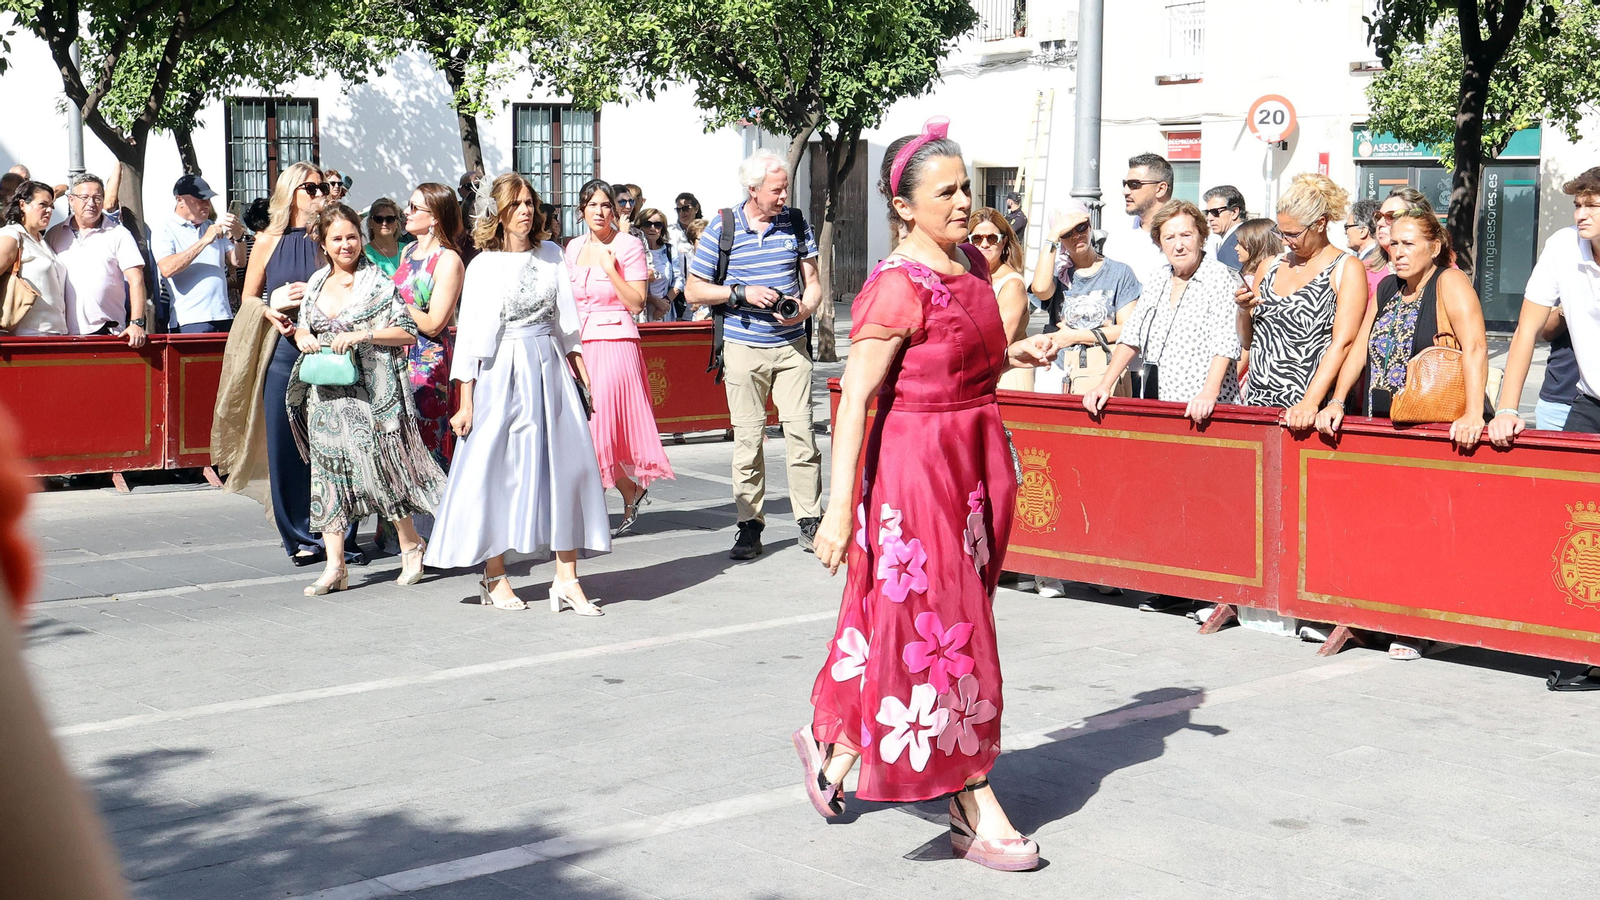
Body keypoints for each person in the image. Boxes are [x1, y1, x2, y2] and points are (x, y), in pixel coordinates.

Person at [797, 118, 1054, 872]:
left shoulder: (972, 263)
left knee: (917, 617)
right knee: (948, 631)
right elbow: (857, 402)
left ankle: (840, 741)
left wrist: (1013, 354)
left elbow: (966, 360)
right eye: (946, 191)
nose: (965, 201)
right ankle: (971, 797)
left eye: (967, 186)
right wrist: (839, 510)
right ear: (905, 206)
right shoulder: (893, 289)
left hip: (976, 463)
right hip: (916, 472)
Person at [424, 173, 611, 613]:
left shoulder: (551, 255)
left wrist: (583, 378)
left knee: (568, 469)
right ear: (499, 213)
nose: (526, 210)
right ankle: (494, 574)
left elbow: (568, 326)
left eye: (530, 202)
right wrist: (466, 401)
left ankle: (567, 578)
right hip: (501, 372)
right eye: (516, 204)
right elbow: (470, 338)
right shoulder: (484, 265)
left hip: (550, 370)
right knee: (494, 471)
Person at [287, 203, 445, 596]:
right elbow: (306, 326)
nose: (346, 245)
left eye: (352, 237)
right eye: (337, 238)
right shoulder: (318, 282)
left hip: (370, 397)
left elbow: (408, 332)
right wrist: (301, 336)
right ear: (323, 243)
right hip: (324, 396)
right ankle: (335, 566)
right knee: (327, 477)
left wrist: (364, 336)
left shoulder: (378, 283)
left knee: (381, 474)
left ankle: (410, 545)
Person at [218, 162, 363, 567]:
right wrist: (272, 306)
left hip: (332, 351)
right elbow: (247, 299)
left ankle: (342, 538)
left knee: (337, 447)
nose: (321, 195)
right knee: (287, 448)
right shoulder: (268, 240)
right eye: (312, 189)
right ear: (291, 193)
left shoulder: (332, 238)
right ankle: (299, 536)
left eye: (324, 188)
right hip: (284, 352)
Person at [685, 149, 824, 559]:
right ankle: (749, 525)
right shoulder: (722, 228)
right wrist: (740, 293)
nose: (784, 196)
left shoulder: (796, 223)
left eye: (784, 189)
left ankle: (809, 520)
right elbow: (694, 290)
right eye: (776, 190)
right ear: (753, 189)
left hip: (791, 346)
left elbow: (813, 282)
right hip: (744, 347)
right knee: (748, 440)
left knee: (802, 435)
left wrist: (805, 306)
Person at [1315, 209, 1487, 445]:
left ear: (1434, 248)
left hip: (1434, 426)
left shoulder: (1449, 282)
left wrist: (1474, 414)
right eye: (1394, 244)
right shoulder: (1388, 287)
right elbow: (1358, 351)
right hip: (1379, 419)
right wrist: (1337, 400)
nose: (1398, 253)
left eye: (1408, 244)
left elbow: (1476, 348)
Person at [566, 179, 675, 535]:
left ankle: (587, 517)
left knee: (599, 428)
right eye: (591, 205)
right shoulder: (572, 247)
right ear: (581, 210)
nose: (599, 212)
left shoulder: (628, 245)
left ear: (615, 209)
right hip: (578, 346)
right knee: (586, 430)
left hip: (615, 342)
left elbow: (637, 302)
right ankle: (629, 493)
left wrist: (611, 269)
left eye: (605, 205)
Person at [1084, 200, 1242, 421]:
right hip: (1159, 401)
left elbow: (1226, 342)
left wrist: (1209, 393)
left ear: (1201, 237)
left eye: (1186, 235)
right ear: (1159, 243)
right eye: (1169, 238)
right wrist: (1104, 385)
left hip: (1205, 406)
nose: (1178, 245)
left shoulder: (1220, 277)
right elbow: (1132, 335)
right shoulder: (1158, 277)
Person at [1234, 173, 1367, 422]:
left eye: (1293, 234)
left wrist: (1310, 402)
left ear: (1320, 223)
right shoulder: (1269, 265)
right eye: (1280, 233)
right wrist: (1243, 310)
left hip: (1310, 410)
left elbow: (1344, 344)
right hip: (1259, 403)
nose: (1285, 242)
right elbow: (1247, 342)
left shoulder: (1345, 267)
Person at [1489, 167, 1600, 444]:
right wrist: (1506, 409)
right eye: (1577, 205)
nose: (1580, 215)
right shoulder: (1563, 246)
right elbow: (1527, 330)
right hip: (1590, 402)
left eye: (1592, 206)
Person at [1029, 205, 1140, 396]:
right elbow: (1040, 289)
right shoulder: (1055, 273)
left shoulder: (1120, 273)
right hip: (1058, 367)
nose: (1076, 236)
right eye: (1066, 232)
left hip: (1103, 368)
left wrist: (1075, 336)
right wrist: (1053, 234)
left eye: (1081, 227)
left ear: (1090, 226)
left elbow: (1126, 329)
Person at [396, 183, 466, 471]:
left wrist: (395, 303)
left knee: (429, 444)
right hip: (398, 353)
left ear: (435, 216)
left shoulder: (448, 260)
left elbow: (435, 323)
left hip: (428, 362)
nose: (405, 212)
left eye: (414, 207)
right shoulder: (408, 252)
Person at [46, 174, 148, 346]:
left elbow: (136, 279)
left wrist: (137, 323)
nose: (91, 203)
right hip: (62, 333)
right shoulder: (55, 234)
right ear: (71, 200)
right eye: (84, 197)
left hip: (108, 331)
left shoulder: (118, 234)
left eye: (97, 198)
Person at [152, 175, 244, 333]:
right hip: (190, 319)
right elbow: (167, 268)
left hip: (223, 315)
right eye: (201, 199)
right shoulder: (165, 228)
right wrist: (204, 240)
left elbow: (239, 262)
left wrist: (239, 236)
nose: (206, 204)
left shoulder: (211, 226)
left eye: (208, 199)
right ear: (180, 200)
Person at [968, 208, 1030, 389]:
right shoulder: (969, 277)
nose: (984, 244)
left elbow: (999, 345)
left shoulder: (1012, 285)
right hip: (977, 375)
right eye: (977, 238)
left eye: (992, 238)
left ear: (1003, 242)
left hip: (1006, 376)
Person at [0, 181, 68, 335]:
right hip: (26, 336)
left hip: (57, 333)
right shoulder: (12, 236)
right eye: (43, 205)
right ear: (23, 205)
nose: (49, 210)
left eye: (51, 206)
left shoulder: (42, 241)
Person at [1103, 153, 1174, 287]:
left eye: (1134, 184)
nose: (1125, 191)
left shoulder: (1189, 235)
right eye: (1125, 184)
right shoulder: (1118, 234)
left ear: (1160, 189)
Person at [638, 207, 683, 321]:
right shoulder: (635, 251)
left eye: (657, 225)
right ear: (640, 227)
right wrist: (654, 301)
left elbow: (679, 280)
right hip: (641, 311)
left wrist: (665, 302)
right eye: (647, 224)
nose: (652, 228)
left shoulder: (669, 250)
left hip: (665, 312)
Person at [1347, 198, 1387, 298]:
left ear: (1363, 231)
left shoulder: (1369, 266)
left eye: (1347, 227)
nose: (1345, 232)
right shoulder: (1385, 259)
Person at [1202, 185, 1247, 271]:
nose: (1209, 218)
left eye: (1215, 212)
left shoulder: (1233, 245)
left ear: (1234, 212)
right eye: (1207, 212)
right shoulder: (1246, 236)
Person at [1232, 218, 1283, 289]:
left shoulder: (1250, 281)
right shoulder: (1283, 273)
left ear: (1255, 244)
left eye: (1240, 243)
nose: (1236, 248)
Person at [363, 198, 406, 277]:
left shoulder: (408, 250)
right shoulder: (364, 253)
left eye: (390, 219)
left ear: (397, 222)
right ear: (370, 223)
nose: (384, 223)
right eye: (379, 219)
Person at [669, 192, 702, 258]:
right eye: (678, 210)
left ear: (696, 208)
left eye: (685, 208)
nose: (681, 212)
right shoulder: (670, 231)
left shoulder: (706, 230)